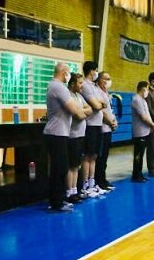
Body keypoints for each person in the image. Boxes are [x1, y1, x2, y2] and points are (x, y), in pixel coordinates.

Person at [43, 63, 85, 211]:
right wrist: (82, 110)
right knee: (59, 168)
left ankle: (59, 199)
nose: (69, 75)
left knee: (61, 167)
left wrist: (81, 110)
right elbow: (75, 110)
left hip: (60, 133)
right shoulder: (58, 87)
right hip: (56, 133)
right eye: (68, 72)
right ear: (63, 72)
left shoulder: (55, 86)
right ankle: (56, 202)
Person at [80, 61, 107, 197]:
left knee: (94, 156)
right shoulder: (85, 85)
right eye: (96, 70)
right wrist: (99, 104)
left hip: (98, 125)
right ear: (91, 71)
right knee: (88, 155)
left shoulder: (95, 86)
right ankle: (84, 185)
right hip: (89, 125)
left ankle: (92, 183)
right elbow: (96, 105)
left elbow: (104, 103)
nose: (96, 72)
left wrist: (100, 104)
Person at [66, 73, 91, 204]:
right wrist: (82, 112)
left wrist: (82, 111)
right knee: (72, 165)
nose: (82, 86)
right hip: (73, 136)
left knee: (77, 165)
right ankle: (69, 192)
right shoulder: (69, 96)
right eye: (80, 83)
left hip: (80, 135)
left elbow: (89, 109)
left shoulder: (79, 96)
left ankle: (75, 190)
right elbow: (79, 116)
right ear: (72, 83)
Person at [95, 72, 117, 191]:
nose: (108, 81)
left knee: (105, 157)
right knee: (101, 157)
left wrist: (114, 121)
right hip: (102, 128)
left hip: (108, 128)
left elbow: (110, 110)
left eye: (109, 78)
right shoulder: (97, 92)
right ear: (100, 79)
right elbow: (102, 111)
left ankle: (103, 179)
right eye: (106, 79)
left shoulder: (106, 93)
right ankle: (99, 180)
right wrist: (110, 122)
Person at [131, 81, 154, 182]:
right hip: (139, 132)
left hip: (145, 131)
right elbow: (143, 116)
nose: (148, 92)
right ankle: (136, 174)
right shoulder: (136, 99)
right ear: (143, 89)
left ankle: (139, 173)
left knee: (141, 154)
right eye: (147, 89)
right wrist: (152, 124)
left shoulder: (143, 100)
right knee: (138, 155)